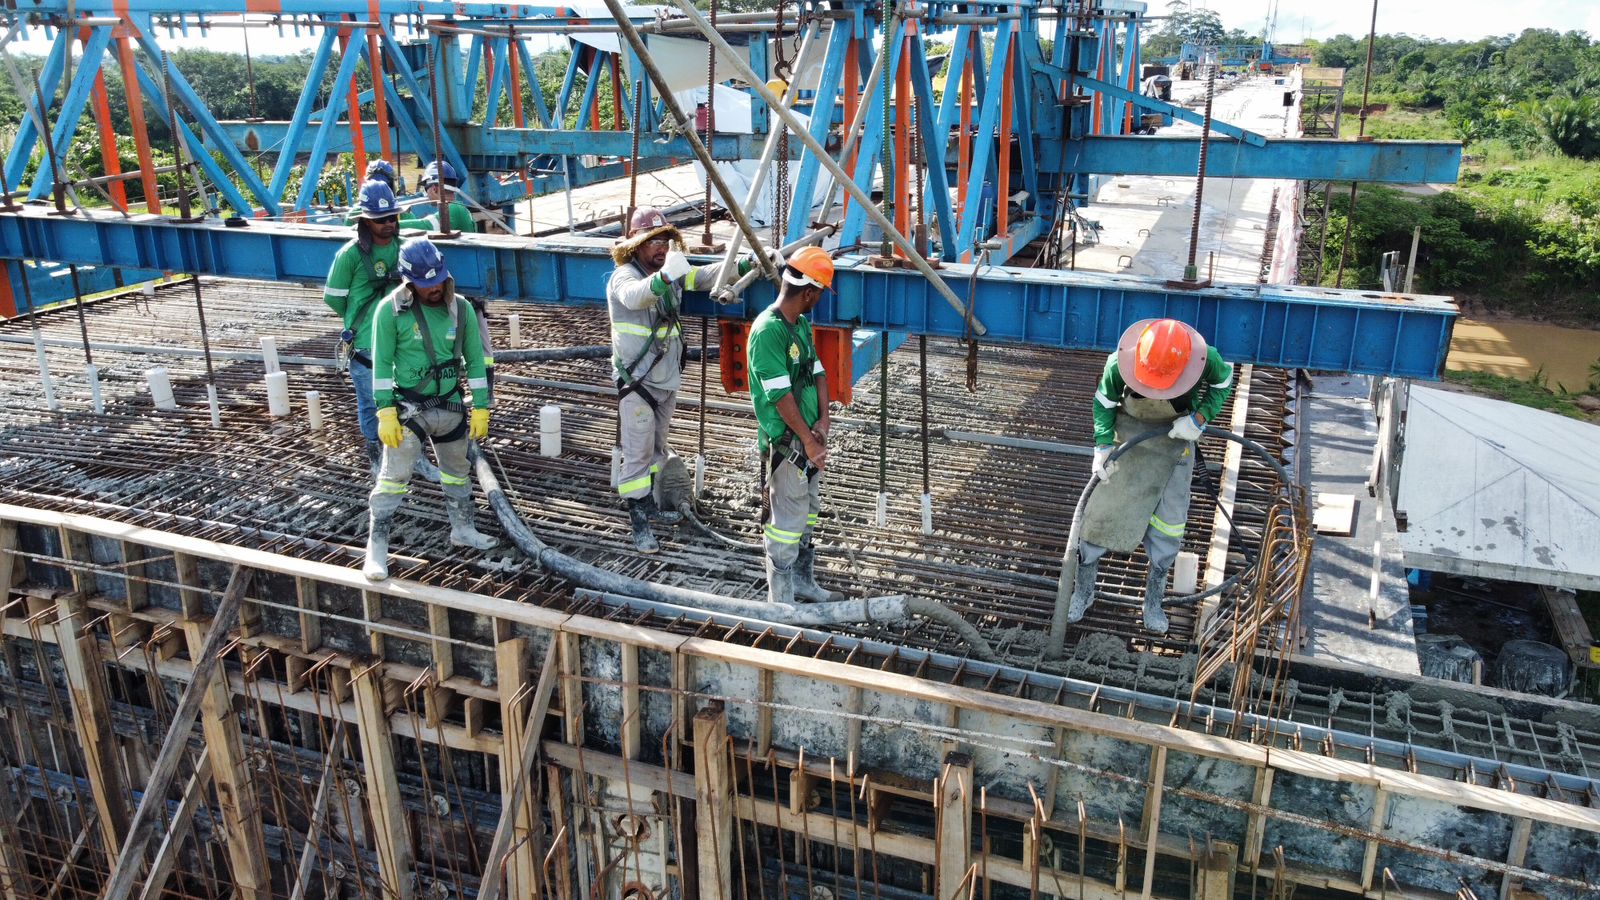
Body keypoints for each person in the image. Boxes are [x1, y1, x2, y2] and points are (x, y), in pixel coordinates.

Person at [606, 206, 777, 553]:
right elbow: (635, 296)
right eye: (653, 243)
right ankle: (639, 525)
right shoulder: (624, 276)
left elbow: (705, 276)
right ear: (636, 246)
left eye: (665, 241)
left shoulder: (669, 272)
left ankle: (650, 508)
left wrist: (746, 263)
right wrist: (666, 276)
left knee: (655, 451)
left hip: (664, 381)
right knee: (637, 456)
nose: (661, 248)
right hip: (637, 385)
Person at [1065, 318, 1234, 634]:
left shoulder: (1205, 358)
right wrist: (1102, 444)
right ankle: (1084, 592)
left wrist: (1199, 419)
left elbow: (1224, 382)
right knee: (1098, 516)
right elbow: (1103, 402)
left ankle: (1152, 603)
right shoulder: (1120, 362)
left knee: (1168, 524)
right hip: (1128, 437)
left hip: (1175, 438)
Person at [363, 237, 497, 580]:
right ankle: (376, 549)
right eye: (426, 284)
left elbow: (476, 362)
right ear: (409, 283)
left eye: (439, 281)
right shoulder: (389, 312)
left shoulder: (462, 309)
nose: (435, 289)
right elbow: (380, 365)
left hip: (451, 407)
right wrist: (385, 412)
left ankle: (463, 529)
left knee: (457, 470)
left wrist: (481, 407)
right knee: (394, 478)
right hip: (410, 410)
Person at [747, 246, 845, 605]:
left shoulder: (801, 325)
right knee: (786, 525)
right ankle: (782, 602)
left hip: (809, 438)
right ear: (809, 292)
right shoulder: (768, 332)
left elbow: (817, 373)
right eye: (819, 294)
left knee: (808, 513)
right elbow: (780, 396)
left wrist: (824, 419)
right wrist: (807, 439)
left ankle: (804, 583)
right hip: (788, 443)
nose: (818, 300)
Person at [416, 160, 477, 234]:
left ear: (434, 189)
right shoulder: (458, 208)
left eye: (426, 190)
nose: (427, 195)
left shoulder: (455, 209)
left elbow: (426, 226)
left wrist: (398, 223)